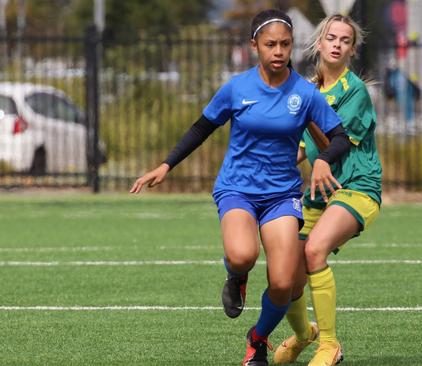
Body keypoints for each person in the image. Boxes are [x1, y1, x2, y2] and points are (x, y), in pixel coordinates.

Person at [130, 9, 352, 366]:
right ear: (254, 46)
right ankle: (236, 275)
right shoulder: (237, 88)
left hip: (282, 195)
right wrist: (166, 164)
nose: (278, 51)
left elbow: (340, 137)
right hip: (237, 189)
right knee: (242, 255)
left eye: (285, 44)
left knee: (284, 285)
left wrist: (323, 158)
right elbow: (202, 127)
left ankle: (257, 338)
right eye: (270, 45)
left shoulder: (305, 94)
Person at [273, 14, 382, 366]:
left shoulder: (355, 91)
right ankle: (306, 334)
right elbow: (301, 150)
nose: (336, 44)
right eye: (331, 37)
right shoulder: (305, 92)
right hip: (319, 193)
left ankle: (330, 346)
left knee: (314, 251)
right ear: (319, 43)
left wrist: (315, 151)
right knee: (286, 276)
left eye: (344, 40)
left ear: (352, 48)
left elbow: (338, 144)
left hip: (356, 187)